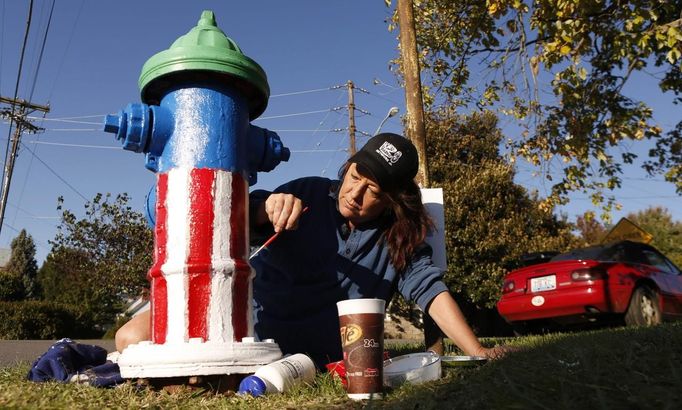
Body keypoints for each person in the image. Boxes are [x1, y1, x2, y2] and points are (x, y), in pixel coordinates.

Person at [116, 133, 509, 368]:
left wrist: (477, 351)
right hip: (244, 327)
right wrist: (263, 206)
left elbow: (431, 291)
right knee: (130, 336)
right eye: (356, 176)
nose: (354, 194)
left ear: (392, 200)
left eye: (373, 191)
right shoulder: (309, 192)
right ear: (348, 167)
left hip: (310, 358)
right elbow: (237, 217)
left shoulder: (399, 238)